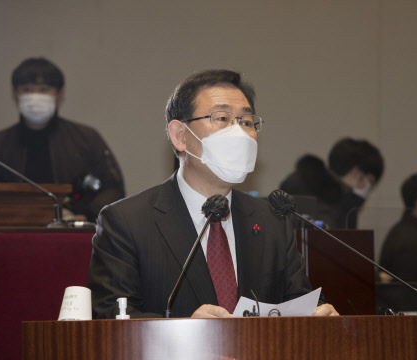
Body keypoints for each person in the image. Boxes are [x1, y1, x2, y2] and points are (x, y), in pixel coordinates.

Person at [88, 69, 338, 319]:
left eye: (247, 122)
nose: (239, 132)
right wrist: (187, 330)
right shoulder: (126, 221)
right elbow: (111, 317)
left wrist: (316, 317)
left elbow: (297, 304)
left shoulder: (272, 220)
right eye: (222, 118)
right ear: (180, 135)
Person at [0, 57, 125, 221]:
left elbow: (112, 188)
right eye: (27, 89)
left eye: (44, 89)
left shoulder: (86, 139)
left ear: (59, 94)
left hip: (71, 233)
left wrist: (87, 215)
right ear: (15, 93)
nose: (35, 96)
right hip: (11, 231)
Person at [280, 138, 384, 228]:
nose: (368, 190)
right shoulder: (341, 206)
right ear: (355, 173)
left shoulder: (297, 184)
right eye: (370, 182)